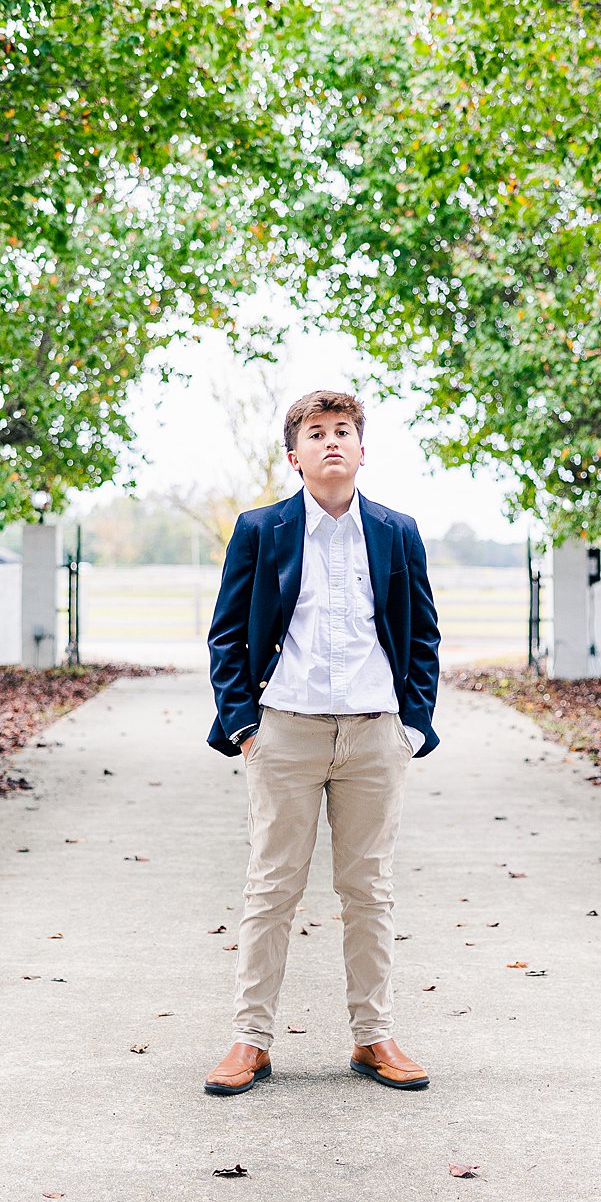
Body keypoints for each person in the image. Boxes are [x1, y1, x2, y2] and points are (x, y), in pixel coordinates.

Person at [203, 388, 441, 1097]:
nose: (331, 441)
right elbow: (226, 634)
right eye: (316, 432)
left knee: (369, 891)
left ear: (362, 450)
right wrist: (245, 726)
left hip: (375, 737)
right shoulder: (261, 529)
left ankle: (374, 1038)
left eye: (343, 431)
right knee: (271, 888)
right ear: (295, 454)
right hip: (285, 733)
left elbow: (422, 634)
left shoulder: (397, 532)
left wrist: (412, 726)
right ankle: (250, 1042)